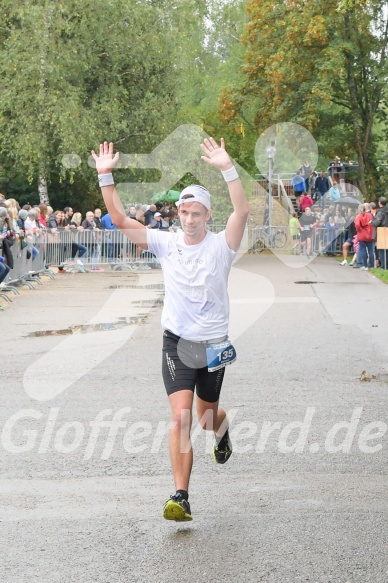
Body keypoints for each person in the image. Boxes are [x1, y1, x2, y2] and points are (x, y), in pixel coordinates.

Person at [92, 137, 249, 522]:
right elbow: (120, 219)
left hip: (212, 343)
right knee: (180, 417)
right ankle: (181, 495)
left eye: (196, 213)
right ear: (177, 213)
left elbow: (242, 211)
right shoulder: (165, 243)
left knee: (205, 416)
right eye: (184, 212)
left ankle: (221, 430)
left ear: (207, 216)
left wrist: (228, 168)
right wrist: (105, 176)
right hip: (176, 341)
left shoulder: (222, 246)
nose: (190, 219)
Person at [354, 203, 374, 270]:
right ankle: (371, 265)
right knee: (371, 250)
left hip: (362, 234)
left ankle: (364, 265)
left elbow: (357, 225)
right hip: (369, 234)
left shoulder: (358, 216)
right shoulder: (369, 215)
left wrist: (359, 230)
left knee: (363, 250)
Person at [371, 197, 388, 269]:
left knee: (381, 249)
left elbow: (377, 222)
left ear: (379, 203)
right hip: (387, 230)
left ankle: (383, 266)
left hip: (381, 232)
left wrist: (371, 221)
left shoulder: (380, 211)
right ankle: (386, 265)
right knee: (387, 249)